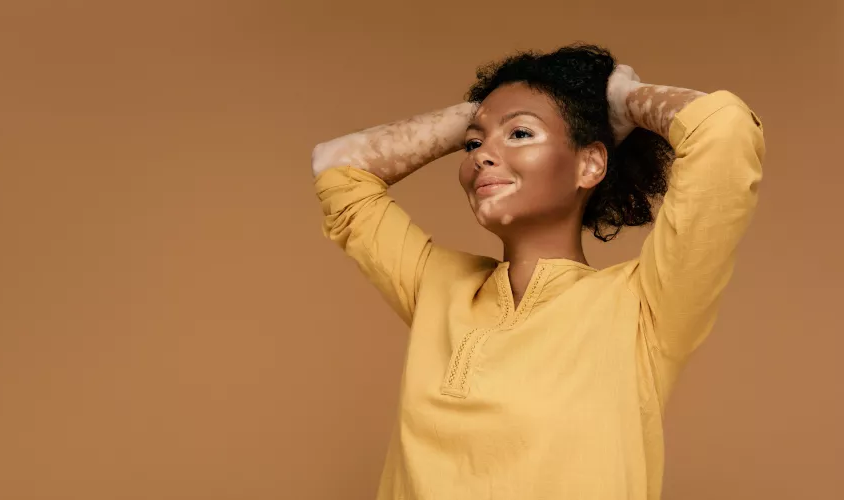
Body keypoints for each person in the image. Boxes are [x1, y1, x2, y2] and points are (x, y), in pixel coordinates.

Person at [310, 44, 764, 500]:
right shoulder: (438, 287)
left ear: (589, 164)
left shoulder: (642, 308)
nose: (481, 156)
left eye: (521, 134)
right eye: (473, 145)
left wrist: (619, 99)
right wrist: (483, 112)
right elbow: (337, 168)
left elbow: (724, 129)